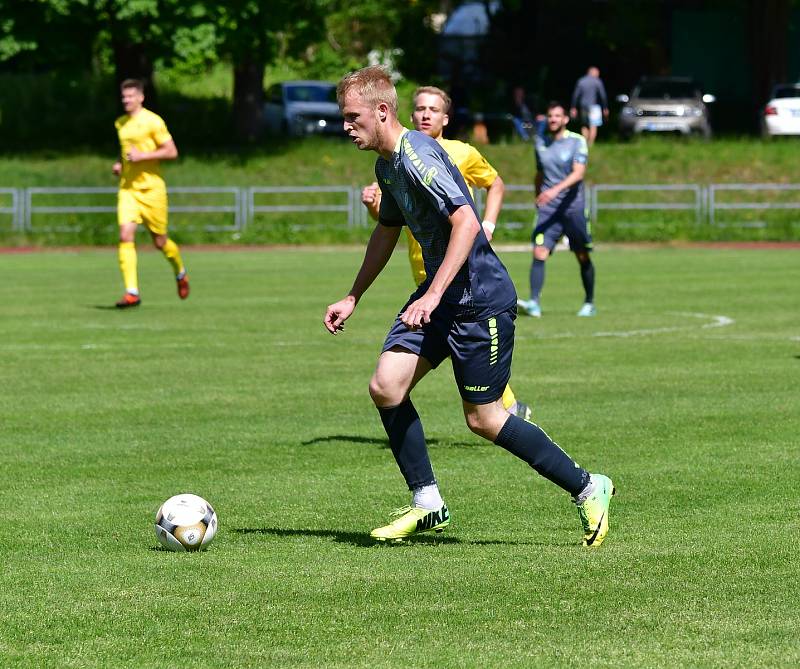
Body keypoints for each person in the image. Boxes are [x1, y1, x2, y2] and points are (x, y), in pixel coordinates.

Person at [325, 66, 614, 546]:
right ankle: (428, 503)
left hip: (478, 299)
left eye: (353, 117)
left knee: (483, 418)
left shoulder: (419, 155)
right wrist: (354, 295)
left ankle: (587, 486)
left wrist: (433, 295)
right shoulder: (387, 165)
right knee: (386, 386)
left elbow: (466, 222)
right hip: (440, 296)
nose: (346, 127)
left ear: (381, 110)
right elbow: (386, 230)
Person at [361, 85, 532, 422]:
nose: (426, 115)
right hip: (423, 268)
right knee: (449, 343)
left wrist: (488, 224)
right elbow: (392, 221)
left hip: (458, 269)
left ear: (446, 118)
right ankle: (495, 412)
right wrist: (374, 206)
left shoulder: (460, 153)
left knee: (465, 338)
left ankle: (502, 411)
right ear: (410, 115)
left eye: (433, 110)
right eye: (420, 109)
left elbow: (495, 185)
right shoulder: (393, 160)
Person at [112, 79, 188, 308]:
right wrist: (119, 163)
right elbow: (126, 152)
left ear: (141, 97)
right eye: (124, 97)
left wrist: (142, 157)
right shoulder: (121, 123)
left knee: (160, 242)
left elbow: (172, 151)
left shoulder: (153, 121)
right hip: (128, 189)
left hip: (152, 189)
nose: (126, 100)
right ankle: (132, 292)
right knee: (125, 235)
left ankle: (180, 271)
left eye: (131, 96)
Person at [517, 101, 596, 319]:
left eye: (557, 116)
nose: (553, 119)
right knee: (539, 251)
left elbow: (578, 173)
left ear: (565, 119)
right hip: (548, 210)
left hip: (573, 208)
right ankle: (534, 303)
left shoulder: (577, 142)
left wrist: (553, 191)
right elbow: (539, 173)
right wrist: (538, 194)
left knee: (582, 255)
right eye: (550, 116)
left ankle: (589, 302)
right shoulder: (540, 143)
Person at [570, 66, 609, 146]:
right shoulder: (597, 81)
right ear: (593, 72)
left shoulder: (581, 81)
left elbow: (575, 95)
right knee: (593, 125)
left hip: (583, 106)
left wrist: (573, 107)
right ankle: (590, 144)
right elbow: (603, 95)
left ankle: (584, 143)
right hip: (594, 106)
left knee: (584, 124)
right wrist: (605, 107)